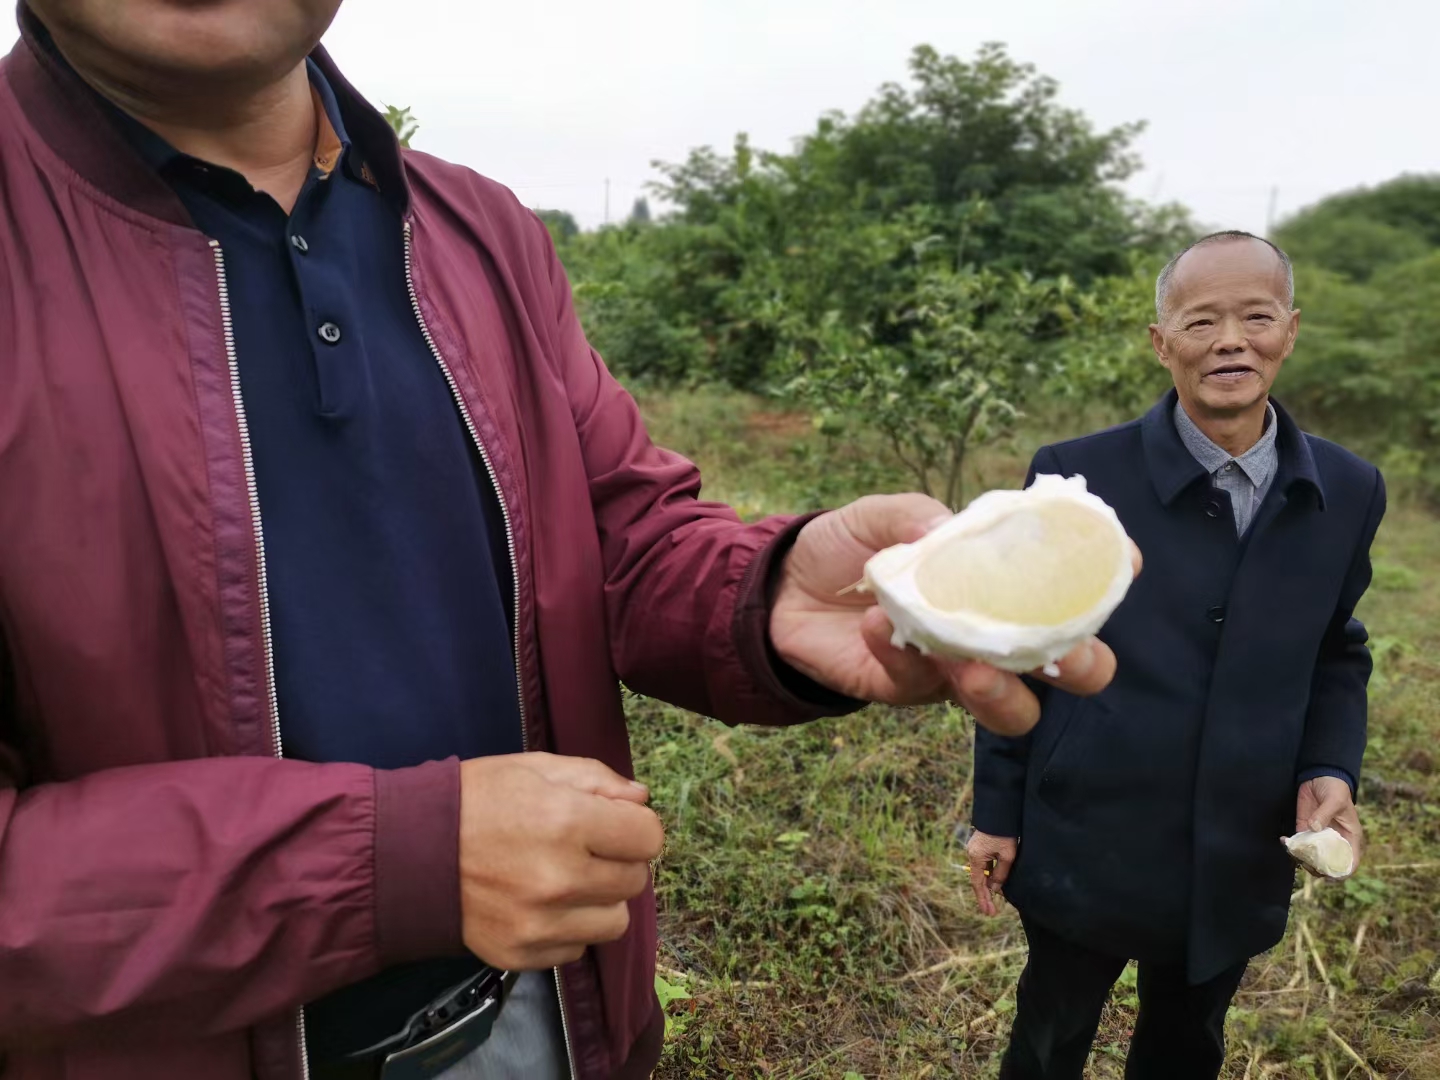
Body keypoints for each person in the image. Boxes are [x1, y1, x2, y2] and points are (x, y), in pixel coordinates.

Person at [0, 3, 1127, 1079]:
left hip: (536, 1015)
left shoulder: (474, 231)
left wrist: (765, 594)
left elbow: (611, 531)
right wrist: (382, 871)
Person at [966, 230, 1384, 1079]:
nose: (1231, 339)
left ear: (1290, 330)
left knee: (1189, 1042)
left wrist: (1331, 767)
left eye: (1256, 316)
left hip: (1240, 837)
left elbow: (1337, 651)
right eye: (1202, 322)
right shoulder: (1075, 481)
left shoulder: (1348, 490)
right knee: (1051, 1035)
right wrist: (998, 812)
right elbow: (1014, 649)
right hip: (1087, 831)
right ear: (1163, 344)